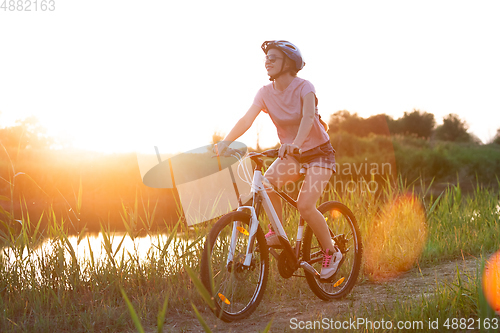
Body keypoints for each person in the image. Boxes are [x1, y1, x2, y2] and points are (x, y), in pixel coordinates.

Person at [217, 40, 341, 280]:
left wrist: (295, 144)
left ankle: (331, 251)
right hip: (292, 153)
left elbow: (307, 118)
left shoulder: (305, 87)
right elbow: (246, 120)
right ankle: (277, 232)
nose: (268, 61)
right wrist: (226, 141)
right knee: (265, 183)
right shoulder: (264, 92)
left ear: (289, 62)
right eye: (267, 58)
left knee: (305, 206)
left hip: (318, 153)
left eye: (274, 57)